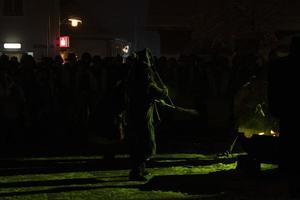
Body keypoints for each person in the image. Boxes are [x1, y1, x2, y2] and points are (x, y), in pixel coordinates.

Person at [125, 48, 169, 181]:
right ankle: (136, 172)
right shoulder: (145, 76)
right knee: (144, 143)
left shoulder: (133, 75)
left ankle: (141, 170)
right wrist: (164, 90)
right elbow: (160, 92)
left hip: (135, 113)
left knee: (139, 142)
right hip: (142, 115)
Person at [268, 36, 300, 197]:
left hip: (287, 112)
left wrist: (274, 109)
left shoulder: (279, 66)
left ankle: (291, 181)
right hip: (289, 111)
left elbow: (273, 90)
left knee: (289, 145)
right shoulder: (279, 66)